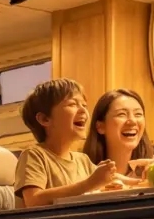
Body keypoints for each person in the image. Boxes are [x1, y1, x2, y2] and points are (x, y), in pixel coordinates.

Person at [14, 78, 117, 207]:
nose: (83, 110)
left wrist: (137, 180)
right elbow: (34, 200)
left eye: (84, 105)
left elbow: (110, 181)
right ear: (45, 119)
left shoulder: (83, 160)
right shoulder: (34, 156)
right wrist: (89, 184)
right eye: (72, 104)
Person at [85, 88, 154, 182]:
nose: (133, 121)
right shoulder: (84, 175)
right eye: (121, 114)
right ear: (100, 127)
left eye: (138, 114)